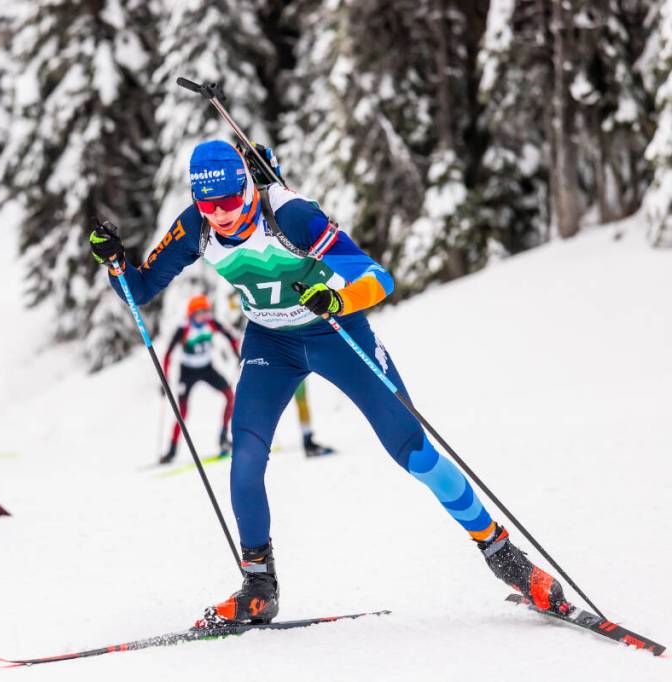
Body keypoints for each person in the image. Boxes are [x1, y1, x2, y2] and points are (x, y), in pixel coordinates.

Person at [89, 139, 569, 628]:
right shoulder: (197, 226)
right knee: (245, 458)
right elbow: (141, 288)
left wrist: (338, 301)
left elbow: (378, 279)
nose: (222, 216)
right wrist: (115, 263)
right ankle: (259, 587)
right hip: (269, 344)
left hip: (334, 333)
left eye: (231, 202)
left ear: (247, 187)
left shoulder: (291, 215)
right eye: (209, 206)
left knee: (414, 451)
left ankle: (506, 559)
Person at [228, 291, 334, 457]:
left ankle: (307, 439)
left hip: (284, 350)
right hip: (263, 357)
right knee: (261, 401)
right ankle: (250, 445)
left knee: (299, 398)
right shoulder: (244, 307)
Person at [159, 294, 240, 464]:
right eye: (199, 313)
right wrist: (164, 380)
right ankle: (171, 451)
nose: (203, 316)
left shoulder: (211, 323)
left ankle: (223, 438)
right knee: (182, 412)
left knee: (229, 396)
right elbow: (168, 354)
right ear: (191, 314)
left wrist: (237, 355)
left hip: (207, 368)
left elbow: (231, 337)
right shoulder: (184, 328)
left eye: (205, 311)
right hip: (187, 372)